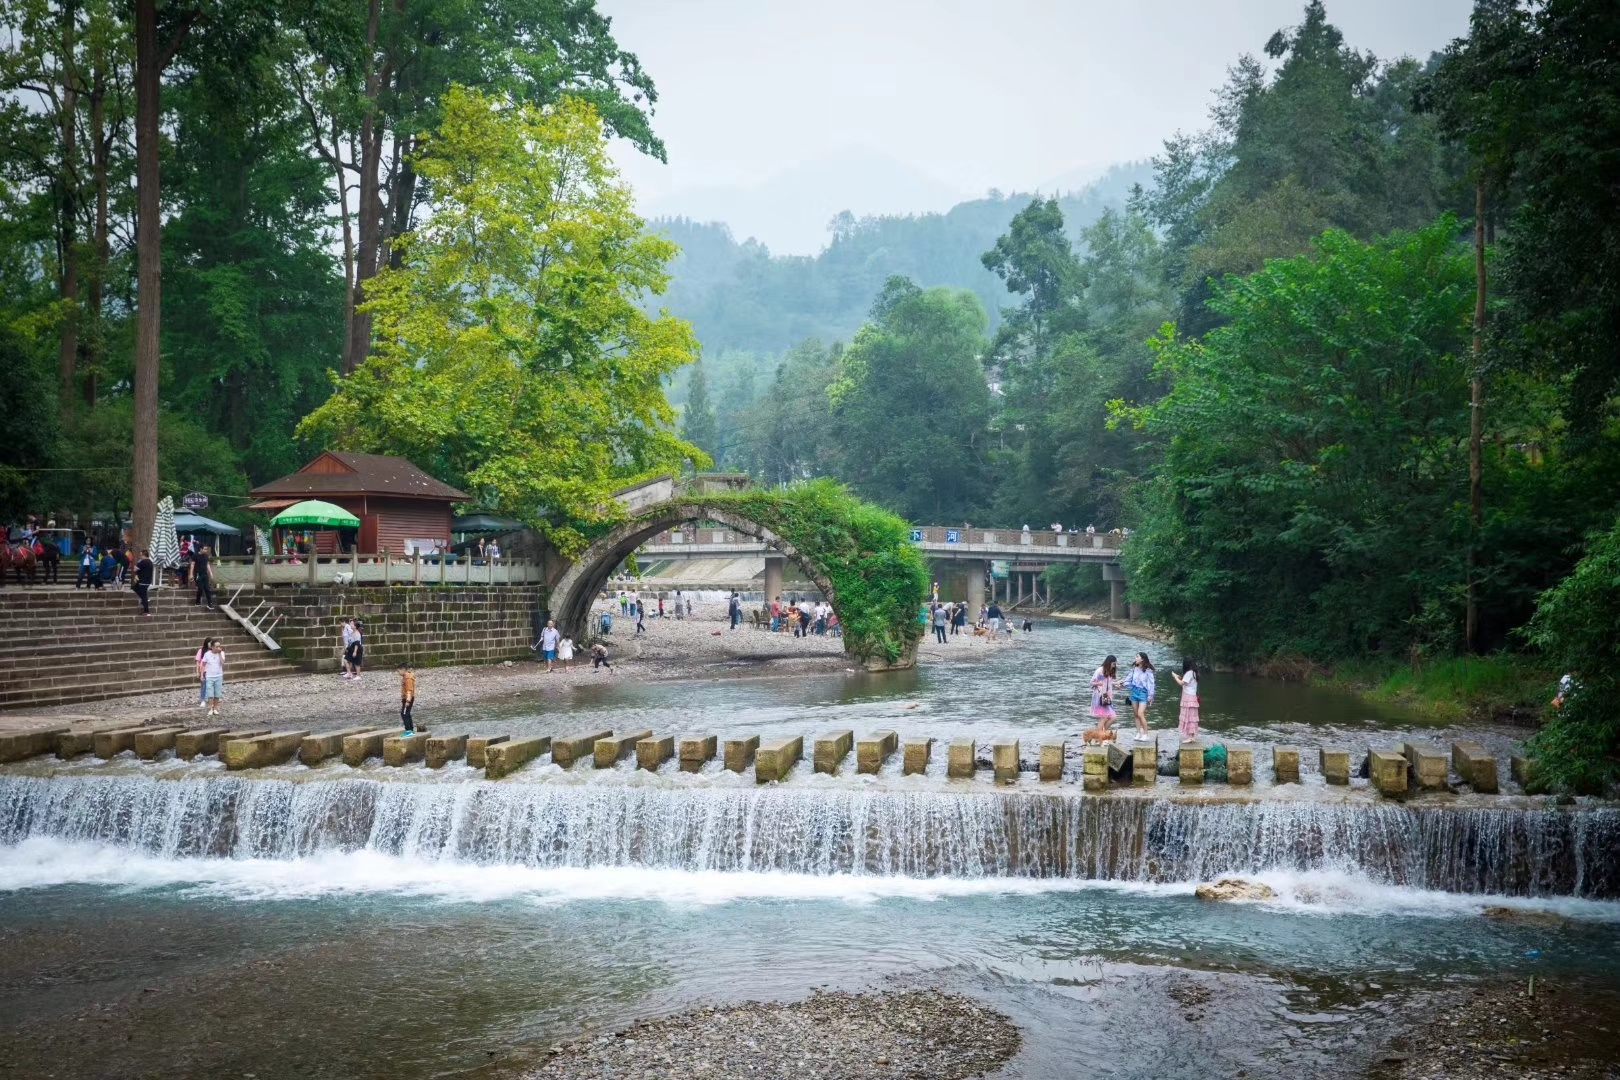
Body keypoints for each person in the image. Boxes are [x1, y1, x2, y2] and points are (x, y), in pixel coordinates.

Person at [1124, 652, 1156, 740]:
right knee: (1135, 714)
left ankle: (1146, 734)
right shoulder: (1134, 669)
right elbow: (1128, 679)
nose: (1135, 658)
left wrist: (1150, 695)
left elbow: (1151, 683)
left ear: (1142, 659)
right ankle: (1138, 733)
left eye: (1137, 657)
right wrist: (1122, 684)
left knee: (1140, 713)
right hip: (1134, 692)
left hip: (1143, 693)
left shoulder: (1148, 670)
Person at [1171, 660, 1200, 742]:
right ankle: (1192, 736)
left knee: (1188, 716)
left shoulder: (1189, 673)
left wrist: (1175, 677)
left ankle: (1190, 737)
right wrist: (1179, 677)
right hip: (1192, 697)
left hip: (1188, 697)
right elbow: (1187, 683)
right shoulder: (1194, 672)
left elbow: (1181, 683)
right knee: (1192, 716)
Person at [1090, 655, 1119, 732]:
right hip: (1100, 696)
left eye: (1115, 664)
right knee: (1104, 717)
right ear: (1109, 662)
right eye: (1113, 664)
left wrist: (1115, 683)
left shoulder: (1110, 671)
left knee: (1112, 717)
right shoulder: (1100, 670)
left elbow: (1108, 683)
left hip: (1107, 697)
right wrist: (1098, 684)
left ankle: (1100, 735)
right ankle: (1100, 736)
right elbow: (1092, 682)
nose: (1114, 666)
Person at [201, 639, 225, 717]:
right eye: (216, 646)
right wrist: (202, 675)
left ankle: (215, 708)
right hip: (209, 676)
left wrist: (220, 654)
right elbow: (203, 665)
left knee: (217, 693)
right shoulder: (207, 654)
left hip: (218, 675)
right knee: (210, 693)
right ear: (212, 647)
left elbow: (222, 663)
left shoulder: (221, 653)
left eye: (219, 646)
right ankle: (211, 708)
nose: (218, 648)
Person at [192, 544, 215, 610]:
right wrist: (191, 574)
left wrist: (210, 573)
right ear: (201, 549)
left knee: (207, 589)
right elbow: (192, 565)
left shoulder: (206, 556)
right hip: (198, 574)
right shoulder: (195, 555)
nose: (206, 550)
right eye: (205, 549)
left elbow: (207, 564)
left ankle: (210, 604)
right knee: (201, 588)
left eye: (207, 549)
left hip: (205, 574)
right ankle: (197, 601)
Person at [397, 662, 417, 734]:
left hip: (408, 698)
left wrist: (408, 701)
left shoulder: (408, 678)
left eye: (399, 671)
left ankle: (408, 730)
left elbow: (409, 690)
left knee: (404, 714)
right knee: (407, 713)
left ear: (403, 669)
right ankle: (411, 730)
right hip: (406, 698)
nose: (398, 672)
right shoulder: (405, 677)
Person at [133, 549, 154, 616]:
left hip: (143, 582)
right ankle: (144, 600)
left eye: (141, 555)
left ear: (144, 555)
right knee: (135, 587)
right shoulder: (150, 562)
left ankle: (146, 611)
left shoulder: (143, 562)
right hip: (147, 581)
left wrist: (136, 567)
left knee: (144, 596)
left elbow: (135, 569)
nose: (140, 556)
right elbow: (140, 570)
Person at [194, 637, 213, 708]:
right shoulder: (201, 650)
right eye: (209, 642)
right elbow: (197, 662)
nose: (210, 644)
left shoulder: (213, 651)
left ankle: (210, 699)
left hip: (211, 671)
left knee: (211, 686)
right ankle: (203, 700)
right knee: (204, 686)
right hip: (203, 671)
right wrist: (197, 672)